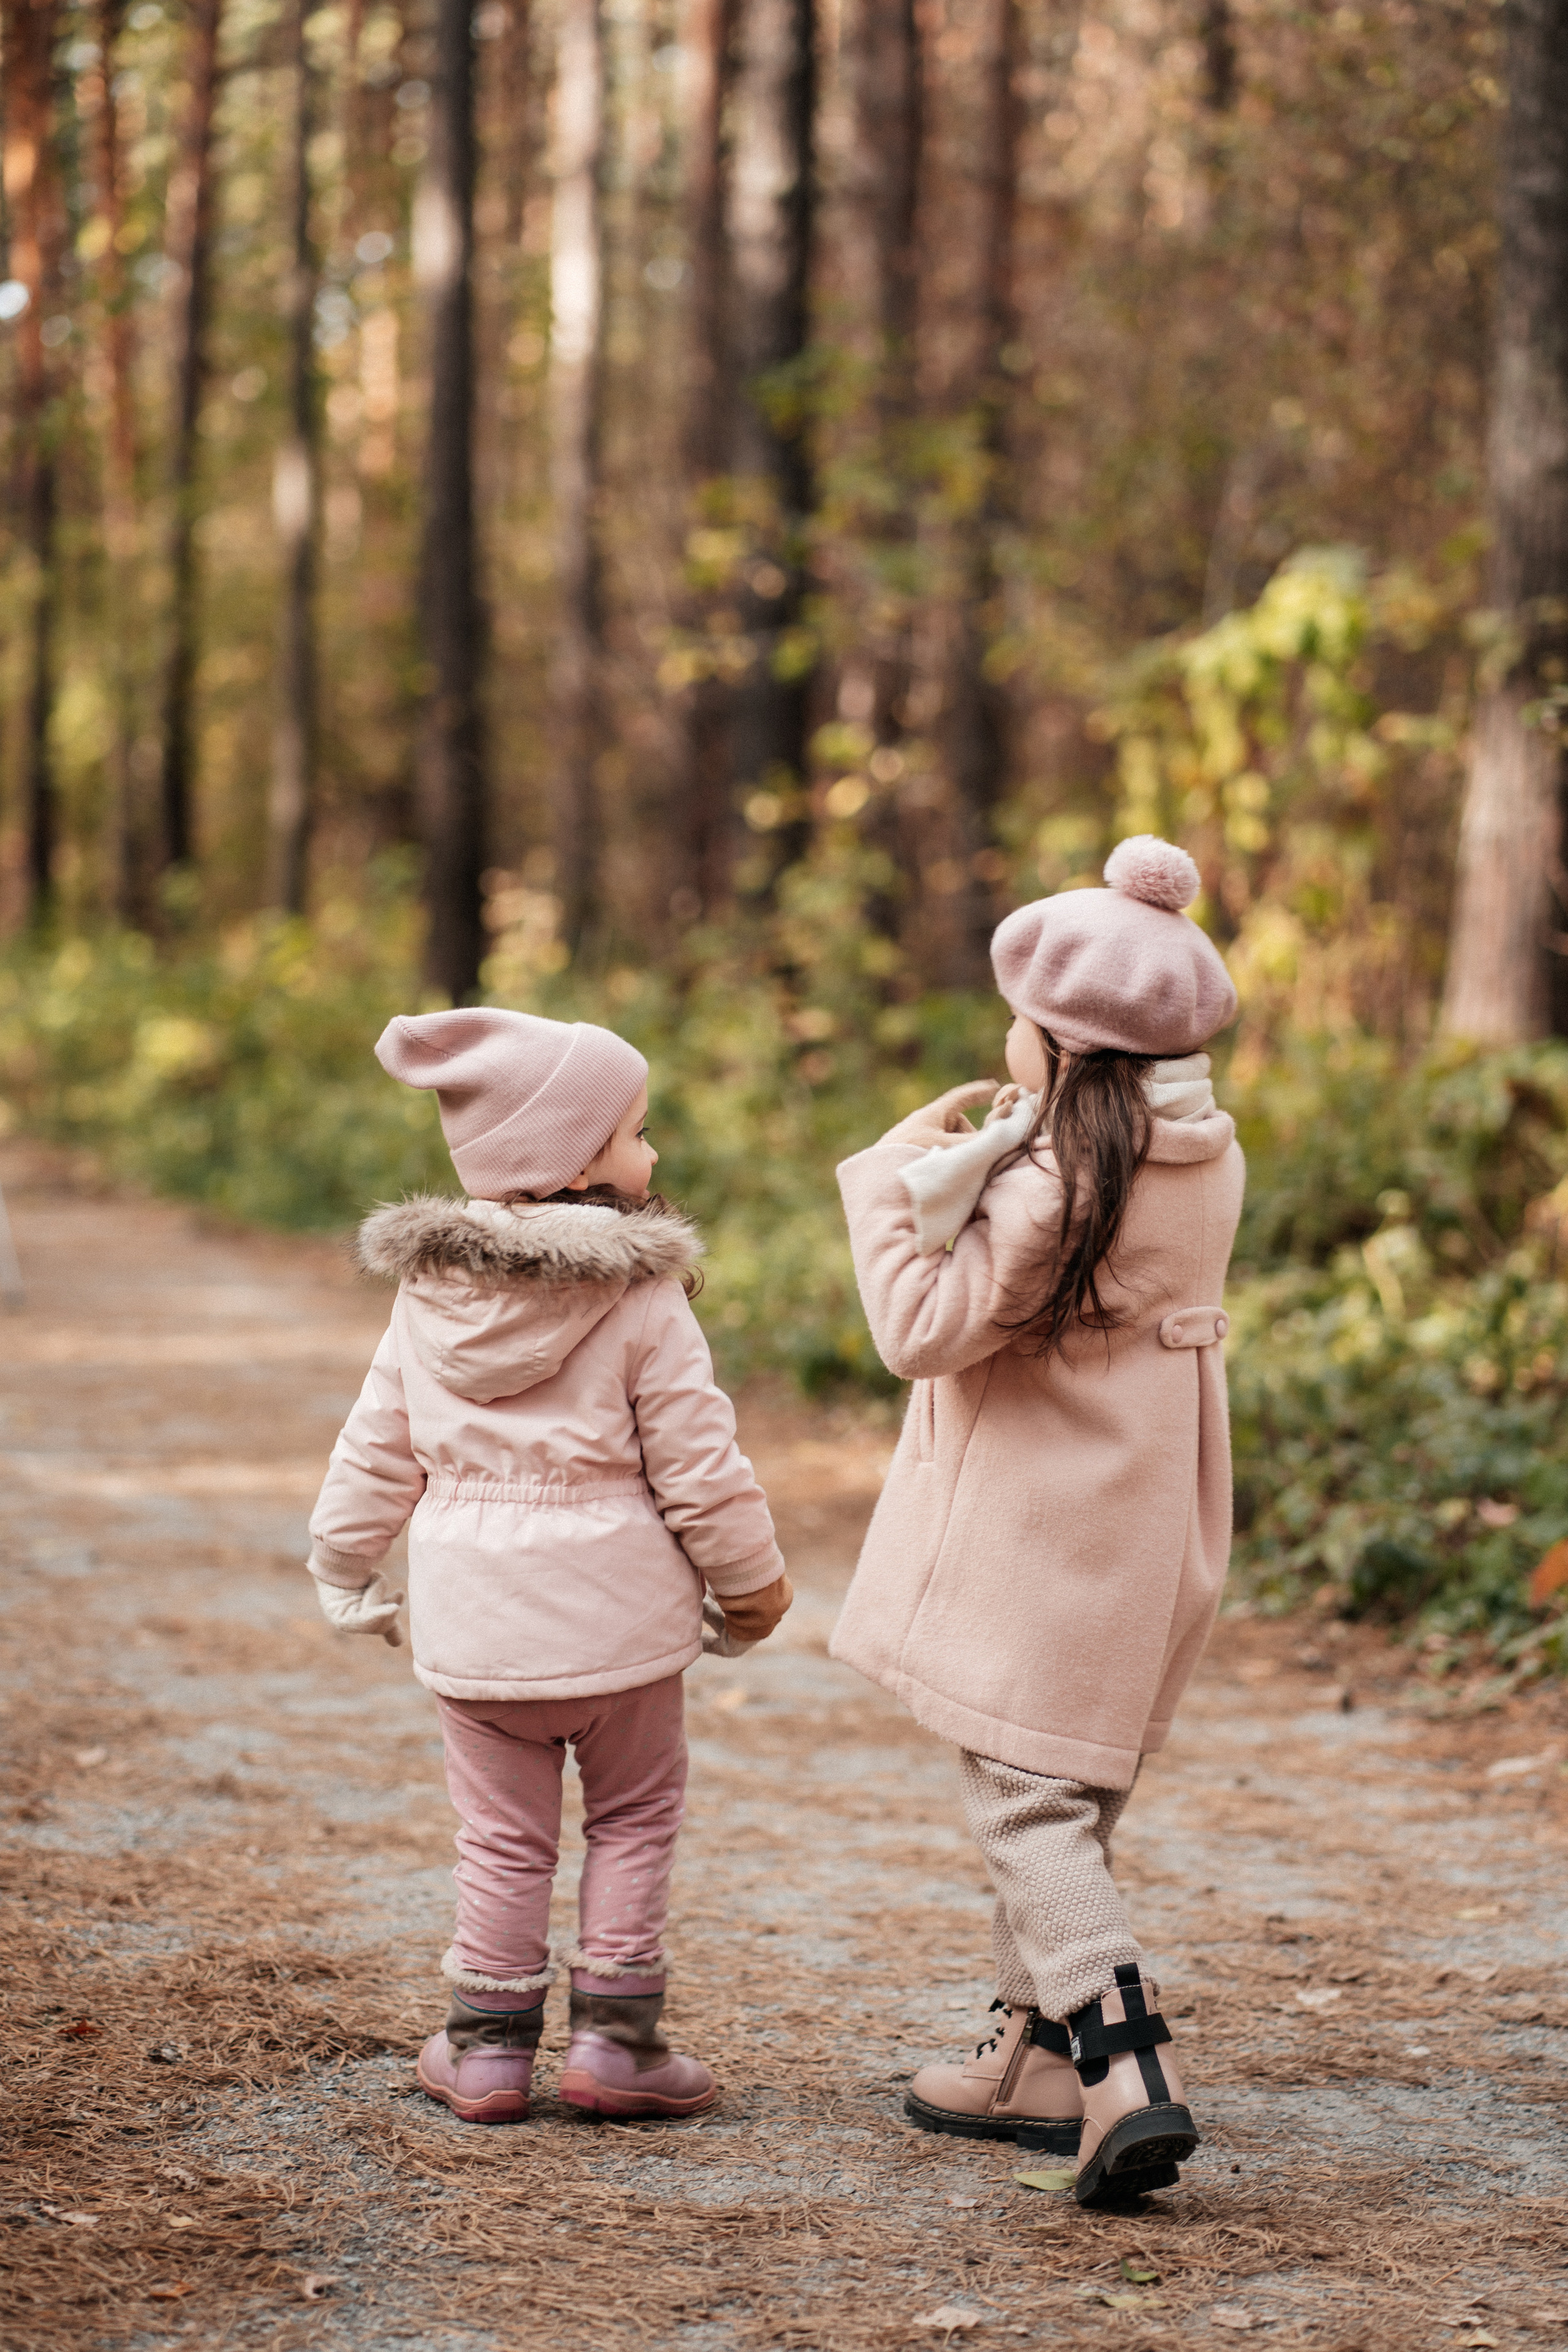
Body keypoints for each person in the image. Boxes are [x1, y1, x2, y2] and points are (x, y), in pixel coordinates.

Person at [831, 836, 1243, 2207]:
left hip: (1045, 1535)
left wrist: (897, 1175)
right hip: (1151, 1526)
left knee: (1024, 1804)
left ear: (1060, 1043)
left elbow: (919, 1329)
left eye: (1018, 1018)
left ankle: (1125, 2064)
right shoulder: (1201, 1154)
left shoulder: (1055, 1184)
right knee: (1072, 1793)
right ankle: (1034, 2062)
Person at [305, 1007, 791, 2126]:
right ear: (575, 1161)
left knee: (500, 1840)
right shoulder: (641, 1293)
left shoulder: (427, 1295)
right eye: (638, 1132)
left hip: (478, 1632)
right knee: (634, 1818)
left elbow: (376, 1441)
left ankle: (485, 2052)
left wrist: (342, 1558)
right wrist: (750, 1585)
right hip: (622, 1633)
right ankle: (617, 2046)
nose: (652, 1153)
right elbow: (700, 1462)